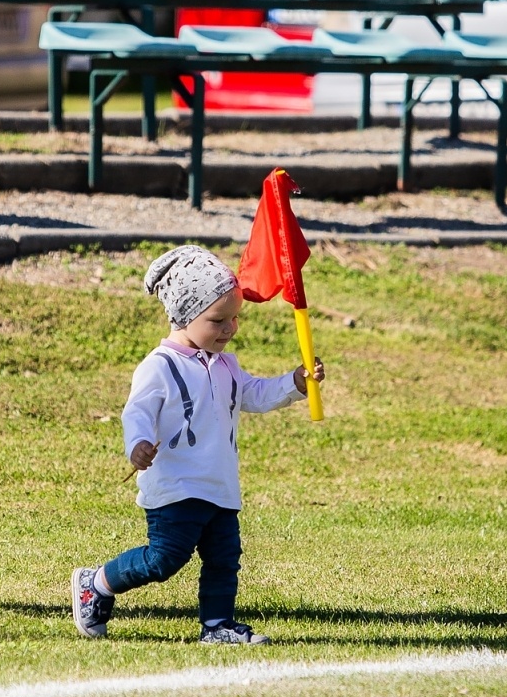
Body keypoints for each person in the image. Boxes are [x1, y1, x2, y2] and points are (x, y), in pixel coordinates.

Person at [72, 245, 324, 643]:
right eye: (217, 320)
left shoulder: (226, 365)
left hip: (219, 486)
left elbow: (254, 394)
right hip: (176, 486)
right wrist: (137, 443)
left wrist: (293, 384)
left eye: (234, 318)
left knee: (224, 559)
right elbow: (137, 411)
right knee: (164, 559)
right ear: (185, 315)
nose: (230, 328)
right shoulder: (160, 365)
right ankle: (98, 582)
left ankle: (217, 625)